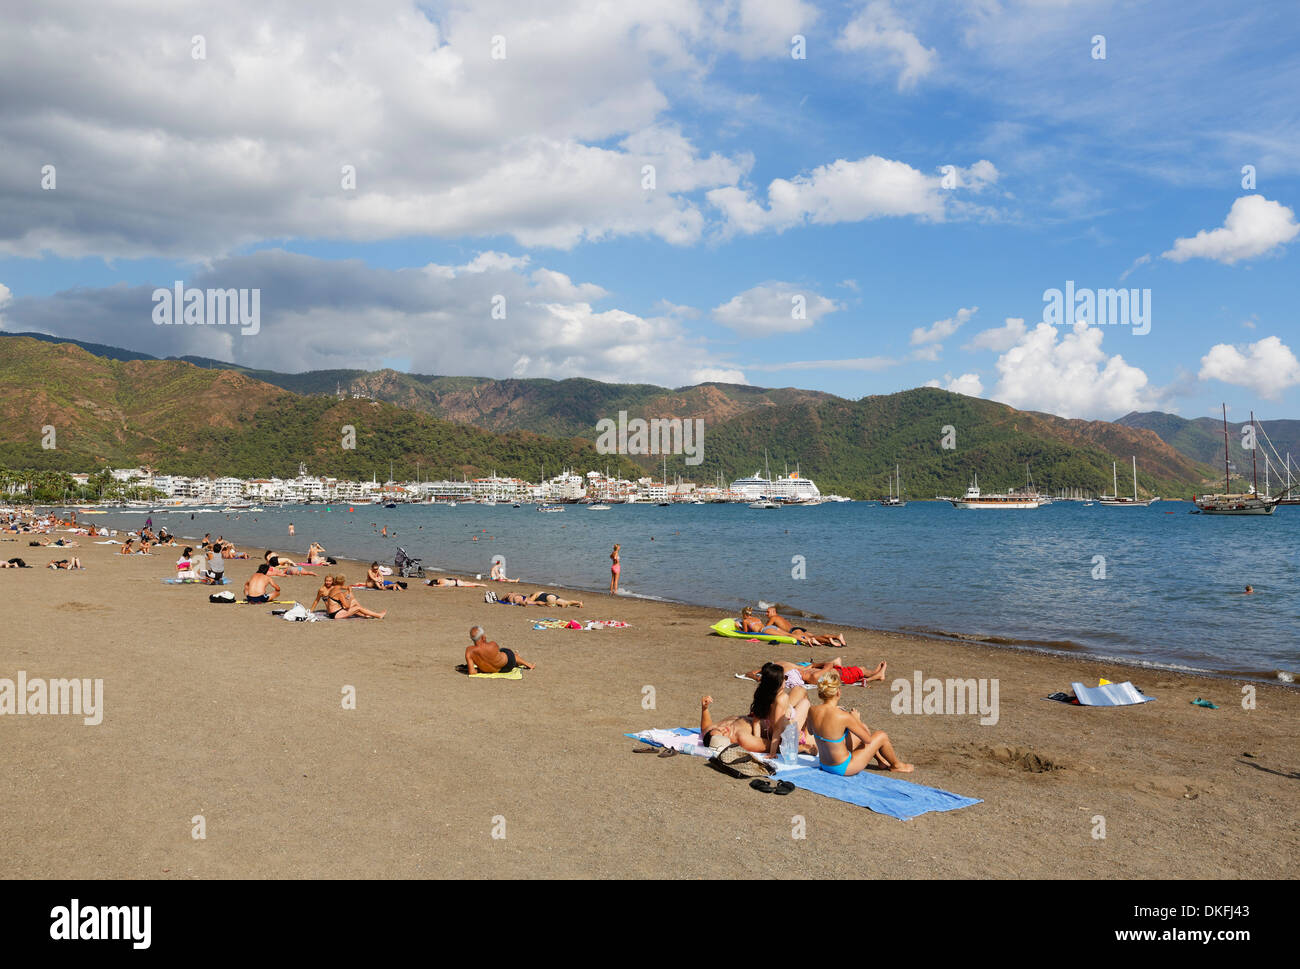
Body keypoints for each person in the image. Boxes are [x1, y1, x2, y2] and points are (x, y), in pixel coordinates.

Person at [806, 670, 912, 776]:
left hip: (825, 764)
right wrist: (856, 720)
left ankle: (881, 762)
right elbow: (868, 740)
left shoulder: (812, 710)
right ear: (838, 692)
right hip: (843, 767)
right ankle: (896, 765)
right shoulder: (843, 716)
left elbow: (810, 731)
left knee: (859, 730)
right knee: (881, 736)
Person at [748, 662, 817, 756]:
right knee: (806, 703)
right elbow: (778, 729)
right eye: (785, 678)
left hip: (774, 730)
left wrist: (758, 741)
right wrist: (772, 752)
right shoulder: (782, 698)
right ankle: (803, 739)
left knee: (800, 690)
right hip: (788, 736)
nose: (786, 680)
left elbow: (756, 721)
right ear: (779, 683)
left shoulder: (761, 692)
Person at [742, 658, 887, 686]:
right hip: (841, 676)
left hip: (835, 672)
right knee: (860, 670)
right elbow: (829, 665)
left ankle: (874, 673)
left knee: (860, 668)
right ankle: (877, 676)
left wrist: (754, 676)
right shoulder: (813, 677)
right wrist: (817, 664)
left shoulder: (784, 673)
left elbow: (752, 673)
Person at [699, 696, 767, 753]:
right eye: (723, 735)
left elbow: (705, 728)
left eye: (719, 730)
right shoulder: (743, 739)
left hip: (756, 713)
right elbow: (771, 746)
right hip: (767, 720)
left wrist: (705, 708)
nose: (724, 730)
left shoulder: (710, 732)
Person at [761, 606, 846, 647]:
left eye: (768, 612)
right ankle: (835, 637)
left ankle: (830, 641)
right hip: (797, 629)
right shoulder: (779, 617)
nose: (766, 614)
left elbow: (766, 628)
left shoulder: (773, 617)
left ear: (773, 612)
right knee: (814, 636)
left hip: (794, 631)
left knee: (814, 638)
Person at [464, 626, 533, 675]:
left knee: (501, 654)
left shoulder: (469, 651)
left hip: (495, 670)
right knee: (507, 652)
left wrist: (480, 670)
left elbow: (472, 672)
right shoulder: (492, 645)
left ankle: (518, 661)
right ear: (483, 637)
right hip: (508, 666)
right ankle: (528, 664)